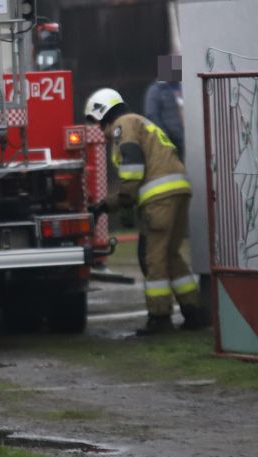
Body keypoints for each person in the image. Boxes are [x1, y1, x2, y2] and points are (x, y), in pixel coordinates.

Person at [84, 88, 203, 335]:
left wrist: (115, 201)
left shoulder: (122, 125)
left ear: (102, 112)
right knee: (171, 255)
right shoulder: (140, 122)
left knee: (154, 258)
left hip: (159, 198)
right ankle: (194, 312)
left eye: (96, 122)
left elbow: (133, 169)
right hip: (178, 191)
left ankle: (160, 318)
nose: (99, 129)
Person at [142, 54, 186, 164]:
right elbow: (152, 115)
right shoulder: (155, 91)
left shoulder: (182, 87)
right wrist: (165, 138)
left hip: (184, 139)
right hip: (170, 140)